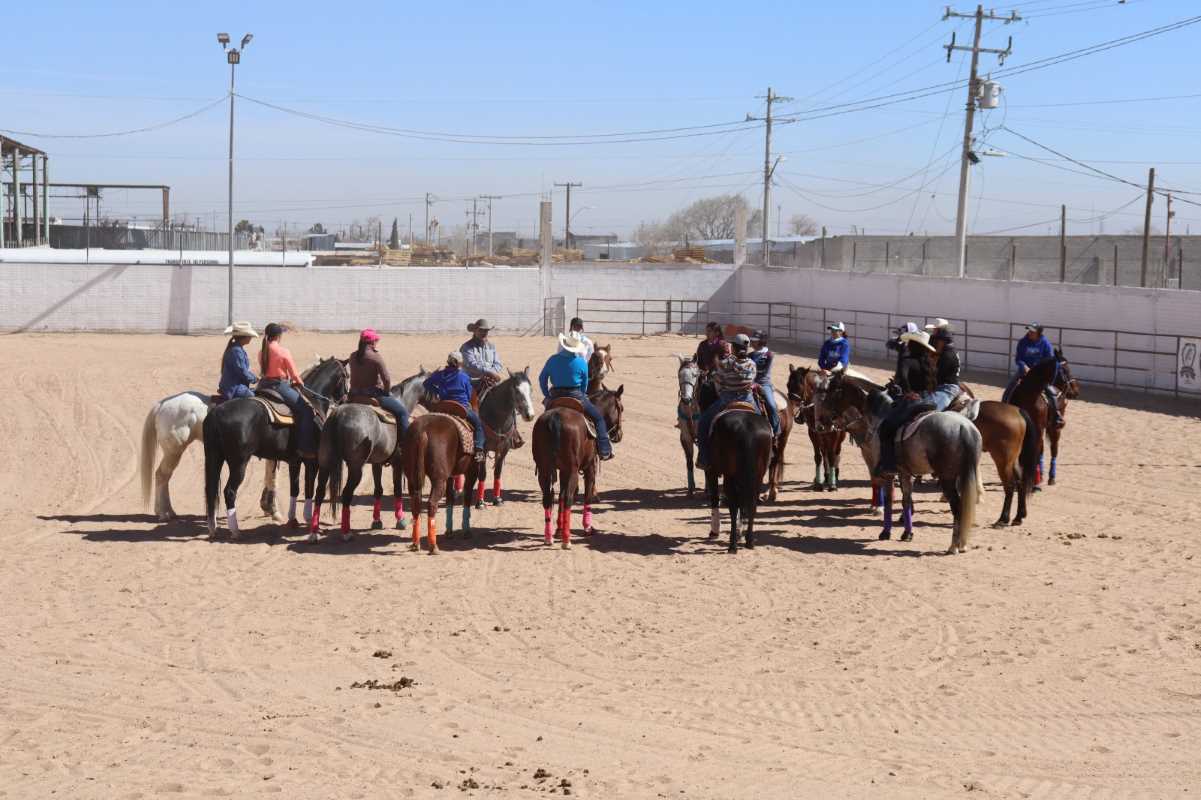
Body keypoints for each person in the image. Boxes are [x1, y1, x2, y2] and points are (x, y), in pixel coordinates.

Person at [539, 332, 613, 460]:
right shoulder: (581, 362)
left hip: (555, 395)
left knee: (543, 422)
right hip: (576, 395)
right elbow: (584, 385)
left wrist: (547, 394)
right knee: (599, 419)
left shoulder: (552, 359)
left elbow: (542, 379)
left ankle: (541, 451)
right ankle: (604, 450)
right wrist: (582, 395)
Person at [875, 330, 938, 477]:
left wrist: (907, 391)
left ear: (914, 344)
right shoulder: (929, 362)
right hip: (930, 401)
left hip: (913, 400)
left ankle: (889, 465)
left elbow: (903, 378)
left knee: (886, 427)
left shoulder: (907, 360)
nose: (907, 344)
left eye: (910, 342)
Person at [696, 333, 758, 470]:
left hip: (727, 400)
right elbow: (751, 381)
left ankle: (703, 458)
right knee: (765, 423)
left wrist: (723, 388)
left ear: (734, 348)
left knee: (703, 423)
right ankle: (771, 448)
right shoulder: (752, 364)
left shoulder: (725, 364)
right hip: (748, 400)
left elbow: (718, 382)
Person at [258, 322, 316, 453]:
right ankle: (305, 447)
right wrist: (302, 385)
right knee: (306, 410)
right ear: (279, 336)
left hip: (263, 385)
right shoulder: (283, 351)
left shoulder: (262, 352)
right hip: (279, 386)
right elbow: (294, 374)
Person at [424, 351, 486, 460]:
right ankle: (479, 450)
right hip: (461, 408)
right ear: (459, 364)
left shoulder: (440, 374)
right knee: (478, 425)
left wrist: (437, 391)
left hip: (443, 407)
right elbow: (468, 394)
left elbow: (426, 383)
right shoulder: (464, 376)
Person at [348, 328, 409, 437]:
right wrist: (386, 392)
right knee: (403, 412)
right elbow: (386, 379)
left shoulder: (352, 356)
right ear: (372, 342)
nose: (376, 343)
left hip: (354, 395)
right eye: (376, 341)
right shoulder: (375, 357)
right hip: (372, 394)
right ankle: (403, 444)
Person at [1003, 323, 1060, 427]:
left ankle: (1056, 416)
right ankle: (1004, 407)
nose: (1029, 333)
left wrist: (1040, 369)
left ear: (1038, 333)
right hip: (1024, 371)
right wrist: (1023, 366)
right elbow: (1018, 358)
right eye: (1029, 330)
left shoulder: (1045, 344)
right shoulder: (1022, 342)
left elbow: (1050, 360)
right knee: (1010, 388)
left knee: (1051, 393)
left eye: (1032, 331)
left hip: (1039, 374)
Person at [748, 330, 780, 436]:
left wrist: (754, 382)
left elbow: (763, 372)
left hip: (763, 384)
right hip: (749, 383)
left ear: (761, 341)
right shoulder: (750, 355)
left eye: (754, 340)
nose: (752, 342)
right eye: (751, 340)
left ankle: (776, 430)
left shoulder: (769, 355)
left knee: (771, 404)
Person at [460, 318, 505, 390]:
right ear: (474, 331)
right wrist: (489, 373)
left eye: (486, 331)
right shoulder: (467, 347)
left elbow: (498, 364)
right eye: (481, 330)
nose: (483, 333)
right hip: (472, 381)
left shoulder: (491, 346)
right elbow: (472, 364)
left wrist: (491, 373)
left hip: (490, 379)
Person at [218, 321, 258, 401]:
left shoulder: (237, 348)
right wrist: (254, 379)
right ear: (244, 337)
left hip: (234, 384)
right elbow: (242, 371)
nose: (251, 338)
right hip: (233, 387)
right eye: (249, 336)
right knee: (253, 399)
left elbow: (243, 370)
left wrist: (254, 377)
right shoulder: (237, 351)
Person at [929, 325, 962, 412]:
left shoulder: (946, 355)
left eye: (937, 340)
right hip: (946, 384)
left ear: (943, 341)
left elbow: (937, 376)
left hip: (946, 388)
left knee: (929, 412)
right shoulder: (950, 351)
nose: (935, 342)